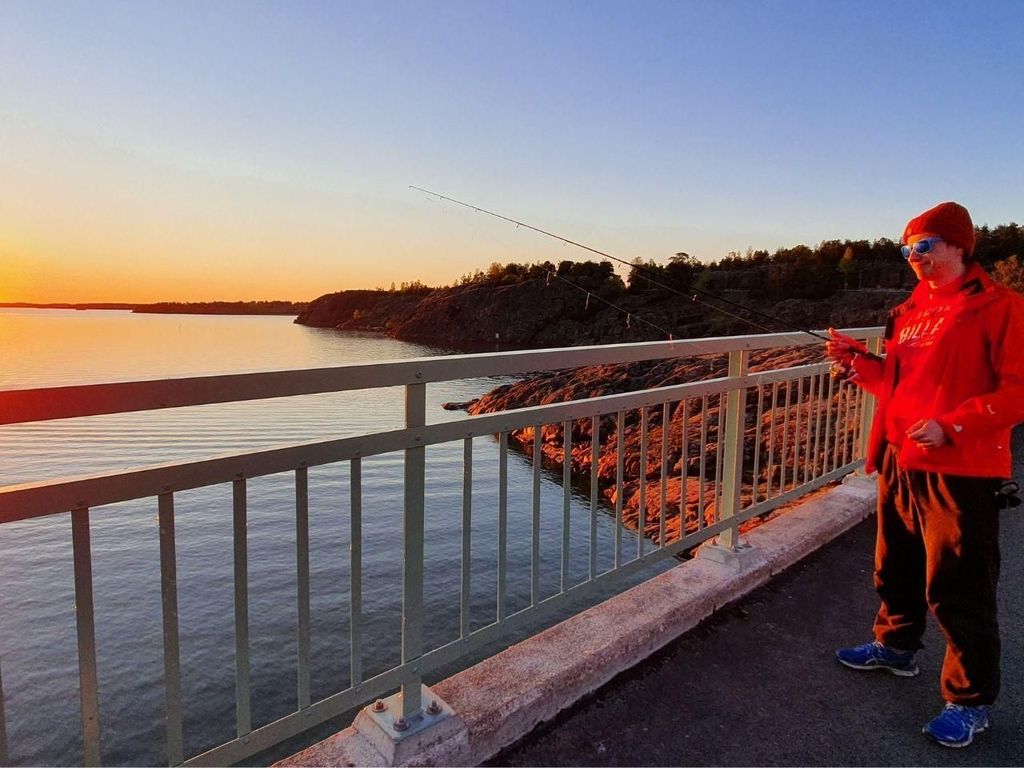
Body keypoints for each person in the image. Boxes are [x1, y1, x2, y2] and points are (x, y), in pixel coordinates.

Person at [825, 201, 1024, 748]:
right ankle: (896, 646)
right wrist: (858, 364)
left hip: (959, 468)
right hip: (900, 457)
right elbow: (897, 384)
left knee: (960, 585)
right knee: (897, 565)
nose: (913, 256)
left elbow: (1017, 391)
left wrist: (953, 426)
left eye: (924, 245)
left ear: (960, 246)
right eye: (906, 247)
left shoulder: (1003, 306)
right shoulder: (909, 310)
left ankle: (969, 700)